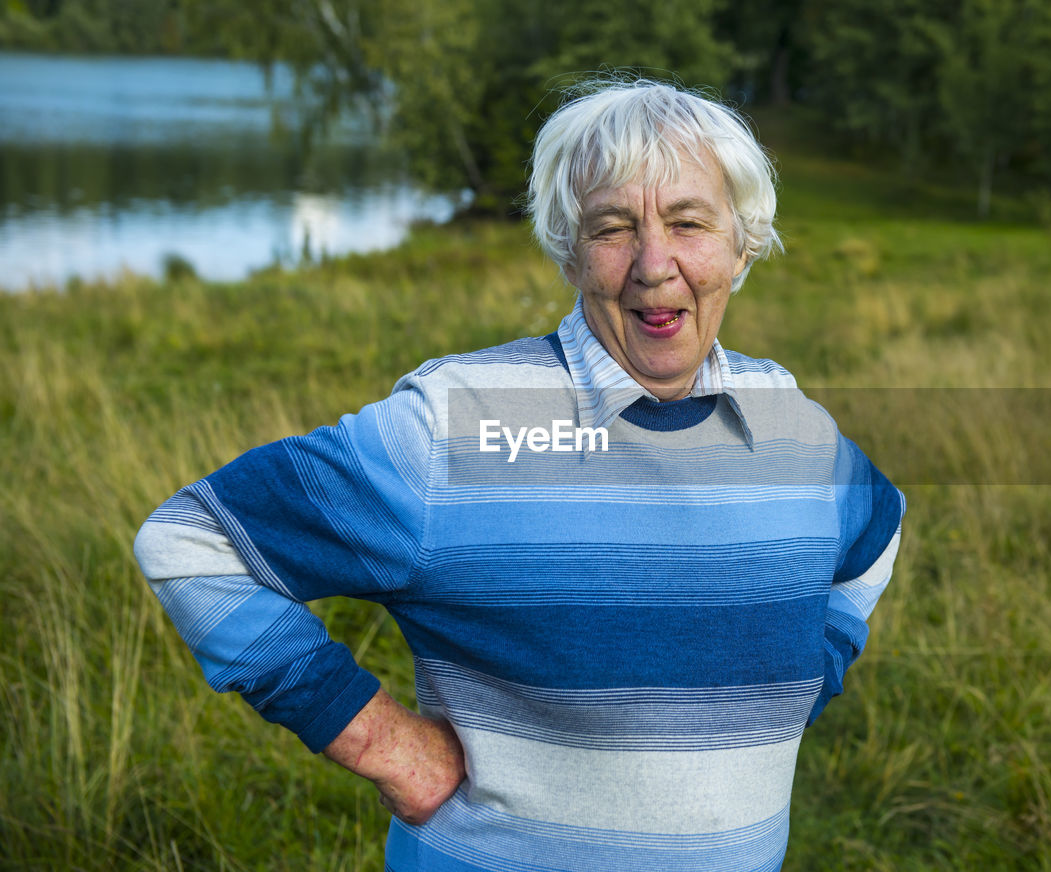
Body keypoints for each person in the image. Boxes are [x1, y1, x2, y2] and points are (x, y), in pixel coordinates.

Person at [135, 78, 904, 872]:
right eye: (613, 228)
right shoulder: (452, 429)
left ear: (741, 245)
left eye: (688, 222)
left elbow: (879, 531)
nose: (653, 265)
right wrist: (384, 743)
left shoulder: (796, 428)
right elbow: (192, 542)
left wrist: (813, 670)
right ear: (568, 250)